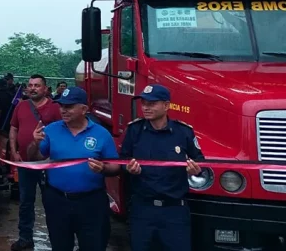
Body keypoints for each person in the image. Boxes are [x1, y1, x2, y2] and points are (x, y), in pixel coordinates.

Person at [27, 87, 120, 251]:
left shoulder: (101, 134)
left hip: (91, 203)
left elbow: (115, 167)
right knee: (60, 245)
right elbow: (34, 158)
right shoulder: (50, 130)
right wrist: (35, 143)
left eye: (69, 106)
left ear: (84, 109)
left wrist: (103, 168)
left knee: (93, 245)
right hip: (57, 201)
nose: (63, 110)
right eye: (61, 106)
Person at [120, 84, 204, 251]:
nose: (145, 107)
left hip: (174, 211)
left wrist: (196, 169)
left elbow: (200, 161)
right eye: (143, 103)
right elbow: (122, 160)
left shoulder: (183, 132)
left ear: (166, 106)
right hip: (142, 209)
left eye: (151, 103)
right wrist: (128, 168)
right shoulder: (134, 130)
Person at [9, 74, 61, 251]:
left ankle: (57, 240)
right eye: (30, 85)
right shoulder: (22, 106)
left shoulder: (55, 108)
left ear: (45, 89)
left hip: (47, 164)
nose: (32, 88)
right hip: (25, 162)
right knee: (25, 202)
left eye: (37, 85)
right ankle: (25, 238)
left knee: (51, 203)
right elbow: (13, 128)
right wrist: (14, 151)